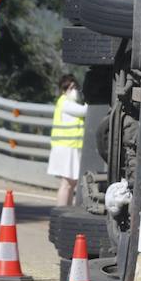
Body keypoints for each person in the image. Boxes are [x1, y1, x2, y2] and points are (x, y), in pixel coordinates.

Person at [47, 74, 84, 206]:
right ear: (65, 89)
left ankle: (66, 209)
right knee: (67, 183)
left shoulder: (70, 102)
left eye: (75, 87)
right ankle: (61, 211)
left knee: (71, 183)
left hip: (71, 147)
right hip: (65, 147)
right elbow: (85, 111)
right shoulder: (65, 103)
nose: (74, 90)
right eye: (71, 87)